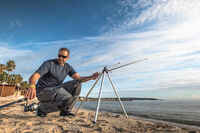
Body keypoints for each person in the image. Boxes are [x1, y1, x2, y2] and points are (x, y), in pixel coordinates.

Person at [25, 48, 99, 117]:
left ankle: (65, 111)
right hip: (43, 91)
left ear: (67, 58)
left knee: (77, 83)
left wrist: (91, 77)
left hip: (56, 89)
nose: (60, 58)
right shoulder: (49, 64)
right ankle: (41, 109)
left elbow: (79, 78)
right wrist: (32, 86)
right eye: (59, 56)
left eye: (63, 56)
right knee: (67, 98)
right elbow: (35, 76)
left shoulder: (68, 67)